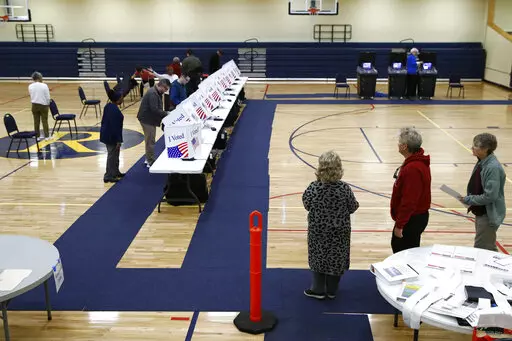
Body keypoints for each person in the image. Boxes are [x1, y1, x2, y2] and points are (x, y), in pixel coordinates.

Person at [302, 151, 359, 300]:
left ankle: (318, 289)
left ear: (320, 168)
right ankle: (332, 290)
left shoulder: (313, 188)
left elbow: (306, 204)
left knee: (318, 258)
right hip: (339, 233)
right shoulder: (344, 189)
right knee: (336, 259)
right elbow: (353, 207)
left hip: (318, 232)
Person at [459, 133, 506, 251]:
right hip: (481, 211)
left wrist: (469, 199)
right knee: (484, 247)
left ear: (485, 149)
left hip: (488, 214)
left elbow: (490, 196)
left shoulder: (492, 168)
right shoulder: (482, 161)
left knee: (484, 248)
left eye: (476, 146)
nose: (472, 148)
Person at [390, 127, 431, 253]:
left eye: (399, 142)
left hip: (411, 219)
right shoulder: (416, 162)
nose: (398, 144)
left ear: (404, 147)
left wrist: (400, 225)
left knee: (402, 252)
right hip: (413, 217)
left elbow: (409, 201)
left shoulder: (412, 169)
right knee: (408, 251)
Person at [137, 78, 171, 167]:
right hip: (147, 120)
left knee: (149, 140)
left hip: (148, 118)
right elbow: (155, 110)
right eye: (166, 89)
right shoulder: (153, 93)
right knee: (150, 141)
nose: (166, 91)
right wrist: (167, 114)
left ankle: (147, 158)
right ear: (161, 86)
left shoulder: (157, 92)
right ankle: (150, 161)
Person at [100, 90, 125, 183]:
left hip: (107, 134)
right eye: (121, 97)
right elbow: (115, 128)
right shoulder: (115, 111)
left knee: (115, 154)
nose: (123, 99)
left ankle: (115, 172)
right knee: (111, 155)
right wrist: (118, 140)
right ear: (118, 100)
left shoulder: (108, 106)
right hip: (111, 136)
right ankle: (108, 175)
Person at [28, 71, 51, 140]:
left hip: (34, 105)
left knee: (36, 121)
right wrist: (48, 104)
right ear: (39, 77)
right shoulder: (44, 85)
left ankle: (37, 136)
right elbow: (47, 97)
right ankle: (47, 136)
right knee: (44, 121)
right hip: (43, 105)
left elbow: (31, 95)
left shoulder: (30, 86)